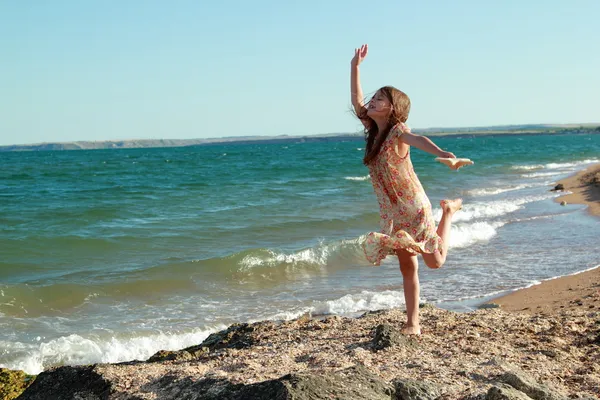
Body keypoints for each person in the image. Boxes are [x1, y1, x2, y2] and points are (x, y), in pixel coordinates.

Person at [351, 44, 470, 335]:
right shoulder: (373, 132)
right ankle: (412, 323)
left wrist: (445, 154)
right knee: (407, 266)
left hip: (414, 205)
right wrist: (355, 67)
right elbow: (356, 102)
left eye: (380, 98)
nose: (373, 101)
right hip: (392, 210)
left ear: (393, 108)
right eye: (374, 97)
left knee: (435, 262)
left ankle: (449, 212)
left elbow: (421, 139)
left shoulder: (398, 132)